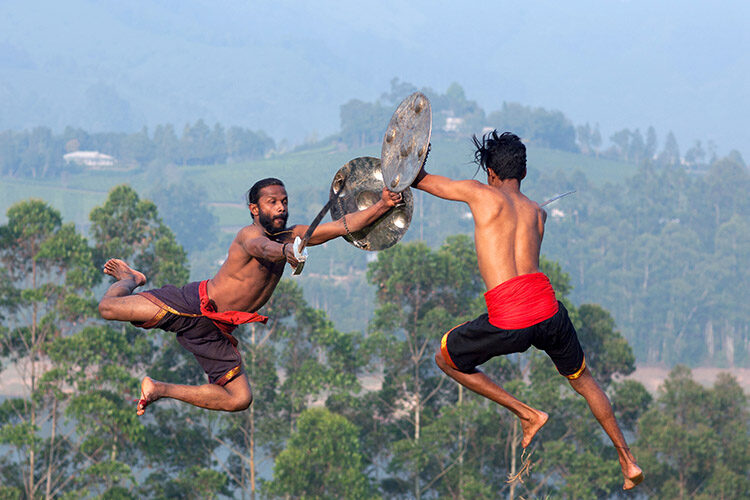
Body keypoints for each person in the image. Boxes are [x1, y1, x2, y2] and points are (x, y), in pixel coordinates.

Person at [411, 131, 643, 490]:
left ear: (489, 173)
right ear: (523, 172)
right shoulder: (539, 213)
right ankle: (628, 462)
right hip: (549, 311)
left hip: (510, 316)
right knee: (584, 380)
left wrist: (416, 154)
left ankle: (527, 413)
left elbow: (420, 179)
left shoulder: (480, 195)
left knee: (446, 358)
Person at [98, 177, 402, 416]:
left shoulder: (293, 235)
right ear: (254, 209)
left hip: (216, 329)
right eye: (272, 203)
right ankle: (131, 278)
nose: (281, 207)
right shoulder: (249, 235)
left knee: (240, 399)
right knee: (108, 308)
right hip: (193, 304)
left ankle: (159, 390)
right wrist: (287, 252)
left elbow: (343, 226)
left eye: (284, 202)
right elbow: (263, 249)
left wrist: (383, 205)